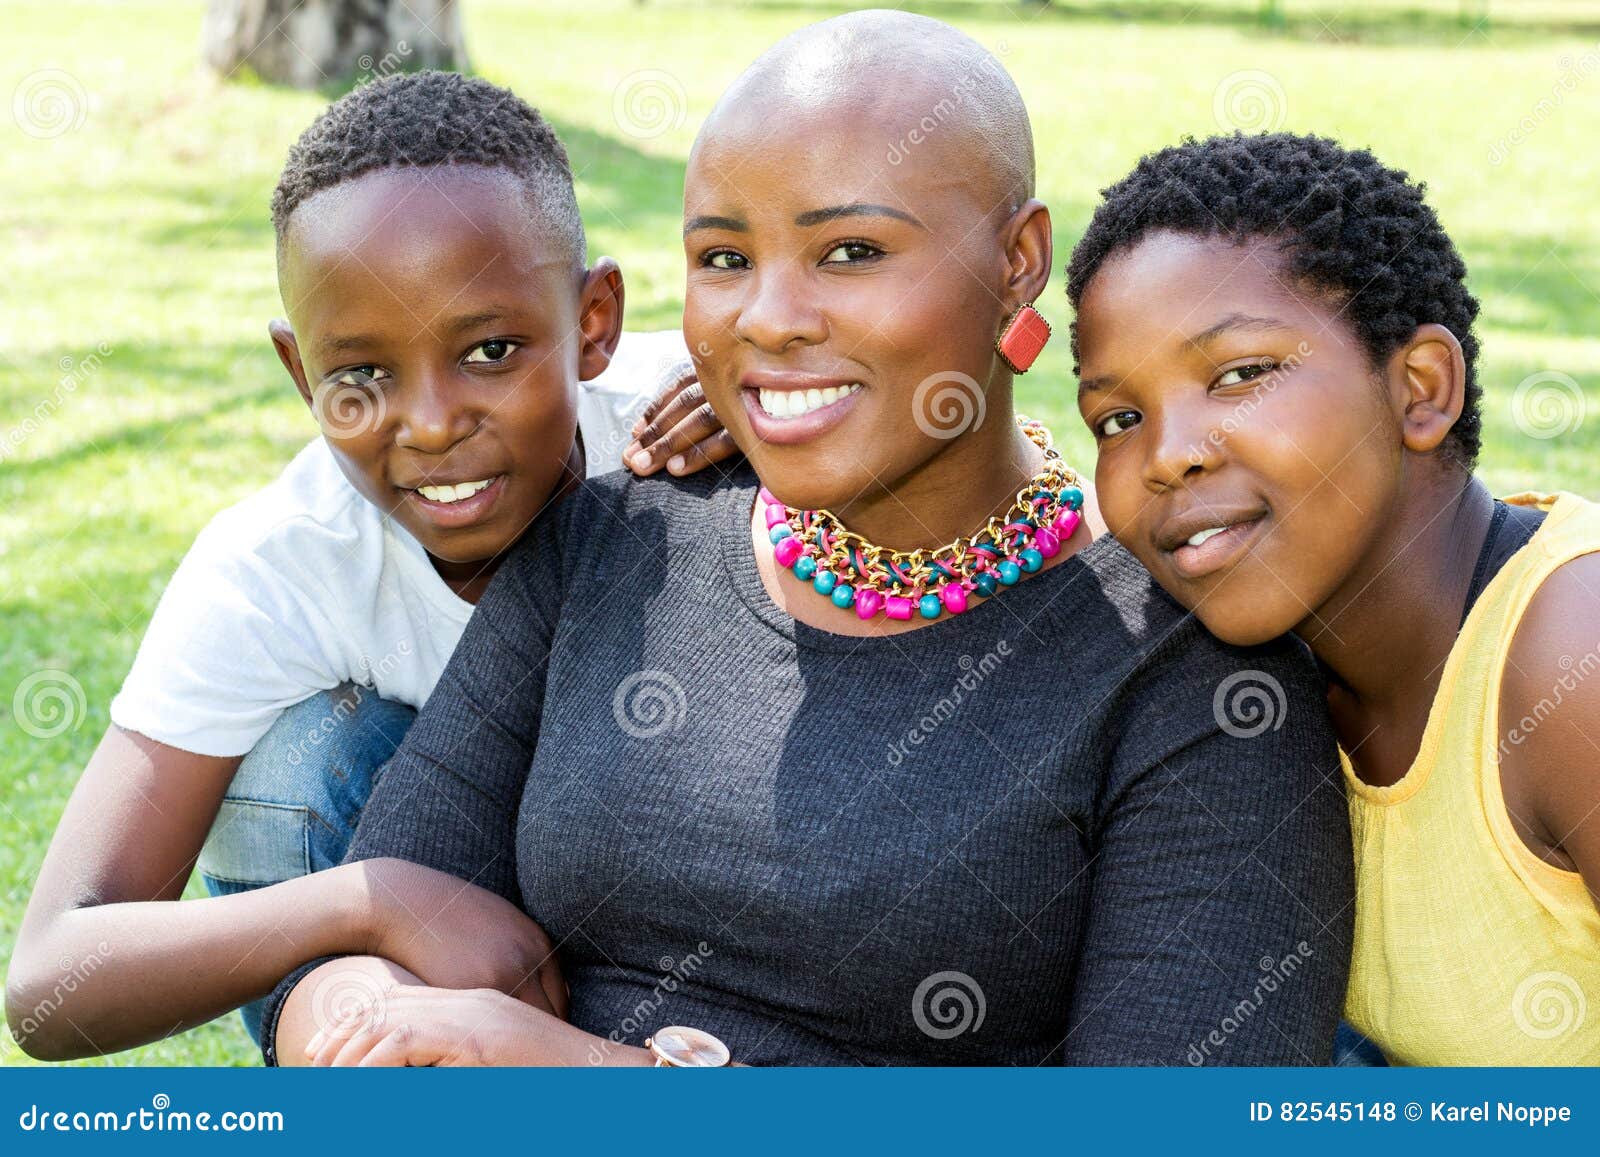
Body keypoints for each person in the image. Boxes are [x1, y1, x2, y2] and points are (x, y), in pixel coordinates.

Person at [261, 13, 1352, 1068]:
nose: (769, 318)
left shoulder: (1183, 671)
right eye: (724, 259)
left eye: (850, 249)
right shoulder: (611, 542)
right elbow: (373, 933)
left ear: (1016, 263)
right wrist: (370, 1034)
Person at [6, 71, 736, 1060]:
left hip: (649, 885)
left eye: (490, 350)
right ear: (301, 373)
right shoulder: (277, 566)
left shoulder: (687, 419)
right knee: (302, 753)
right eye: (361, 375)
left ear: (594, 322)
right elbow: (52, 979)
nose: (431, 424)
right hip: (407, 919)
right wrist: (376, 897)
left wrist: (770, 423)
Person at [1069, 131, 1600, 1065]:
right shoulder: (1249, 657)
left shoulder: (1570, 657)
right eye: (1119, 418)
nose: (1166, 454)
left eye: (1239, 374)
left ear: (1420, 389)